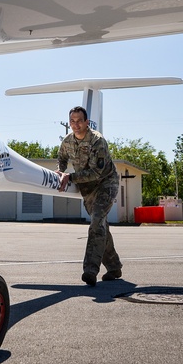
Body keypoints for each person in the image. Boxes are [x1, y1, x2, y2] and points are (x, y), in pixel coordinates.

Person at [55, 106, 122, 287]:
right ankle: (114, 266)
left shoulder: (97, 141)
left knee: (97, 220)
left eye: (79, 121)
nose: (75, 125)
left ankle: (90, 270)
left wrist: (71, 177)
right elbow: (61, 157)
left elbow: (97, 172)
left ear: (86, 122)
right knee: (100, 225)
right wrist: (60, 171)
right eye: (72, 121)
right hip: (87, 189)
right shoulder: (67, 141)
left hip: (106, 183)